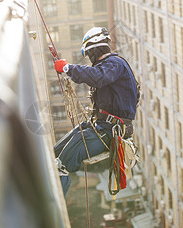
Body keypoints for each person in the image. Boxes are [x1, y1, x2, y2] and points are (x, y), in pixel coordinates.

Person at [54, 27, 137, 196]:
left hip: (110, 131)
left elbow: (98, 76)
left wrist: (68, 68)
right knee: (54, 153)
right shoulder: (112, 66)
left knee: (61, 165)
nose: (89, 58)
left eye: (88, 53)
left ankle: (50, 210)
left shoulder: (115, 64)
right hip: (100, 126)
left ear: (93, 49)